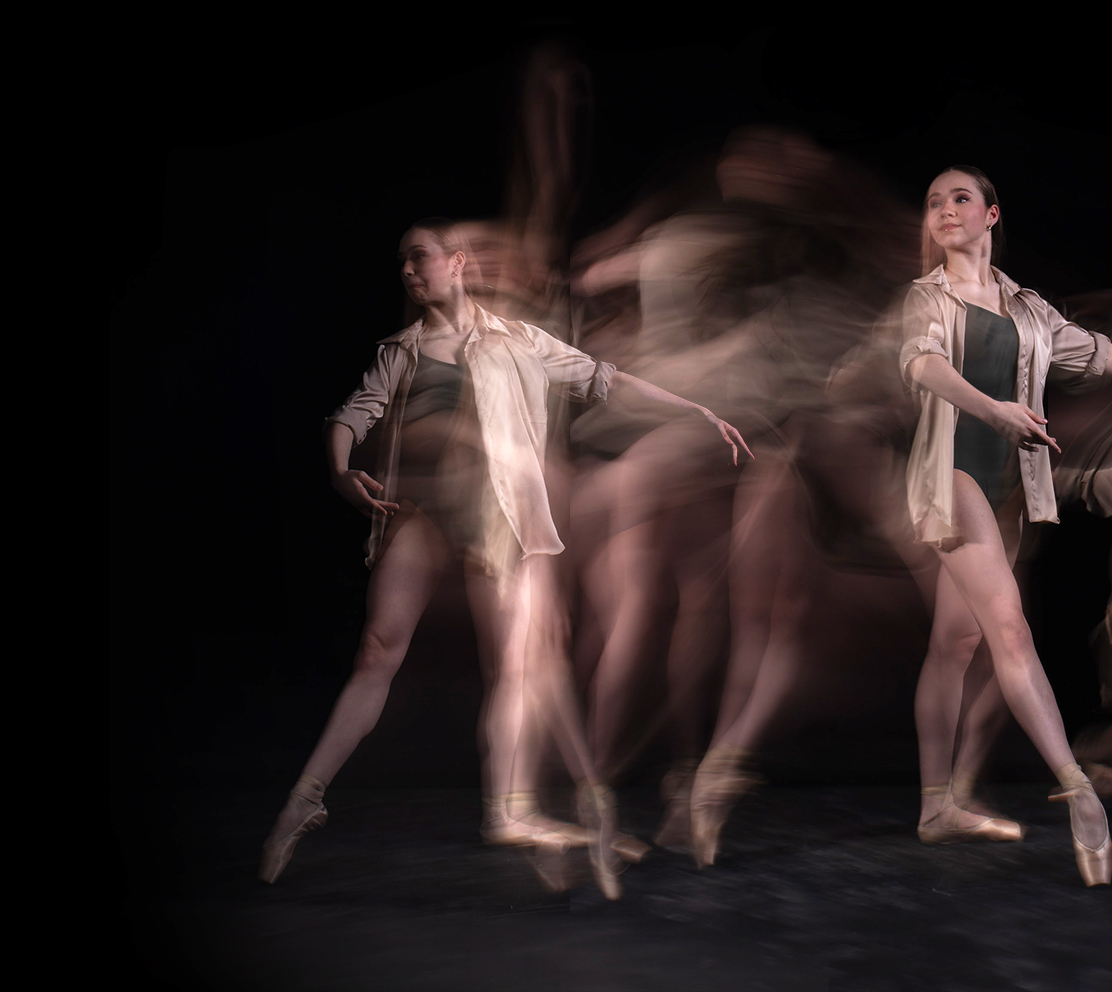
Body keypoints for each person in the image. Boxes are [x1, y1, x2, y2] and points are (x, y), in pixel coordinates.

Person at [259, 220, 749, 898]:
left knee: (527, 663)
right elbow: (352, 413)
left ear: (455, 264)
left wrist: (695, 409)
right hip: (426, 516)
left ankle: (545, 811)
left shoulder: (518, 339)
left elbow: (604, 379)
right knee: (379, 651)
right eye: (401, 260)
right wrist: (343, 469)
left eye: (420, 256)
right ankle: (306, 797)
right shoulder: (400, 350)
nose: (409, 270)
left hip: (497, 519)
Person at [900, 166, 1112, 886]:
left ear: (992, 215)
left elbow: (1103, 352)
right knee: (1008, 630)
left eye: (959, 198)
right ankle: (1078, 792)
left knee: (955, 639)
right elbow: (922, 365)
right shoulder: (927, 298)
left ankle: (937, 804)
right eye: (934, 201)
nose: (944, 210)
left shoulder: (1027, 309)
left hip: (1005, 486)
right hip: (954, 478)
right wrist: (994, 410)